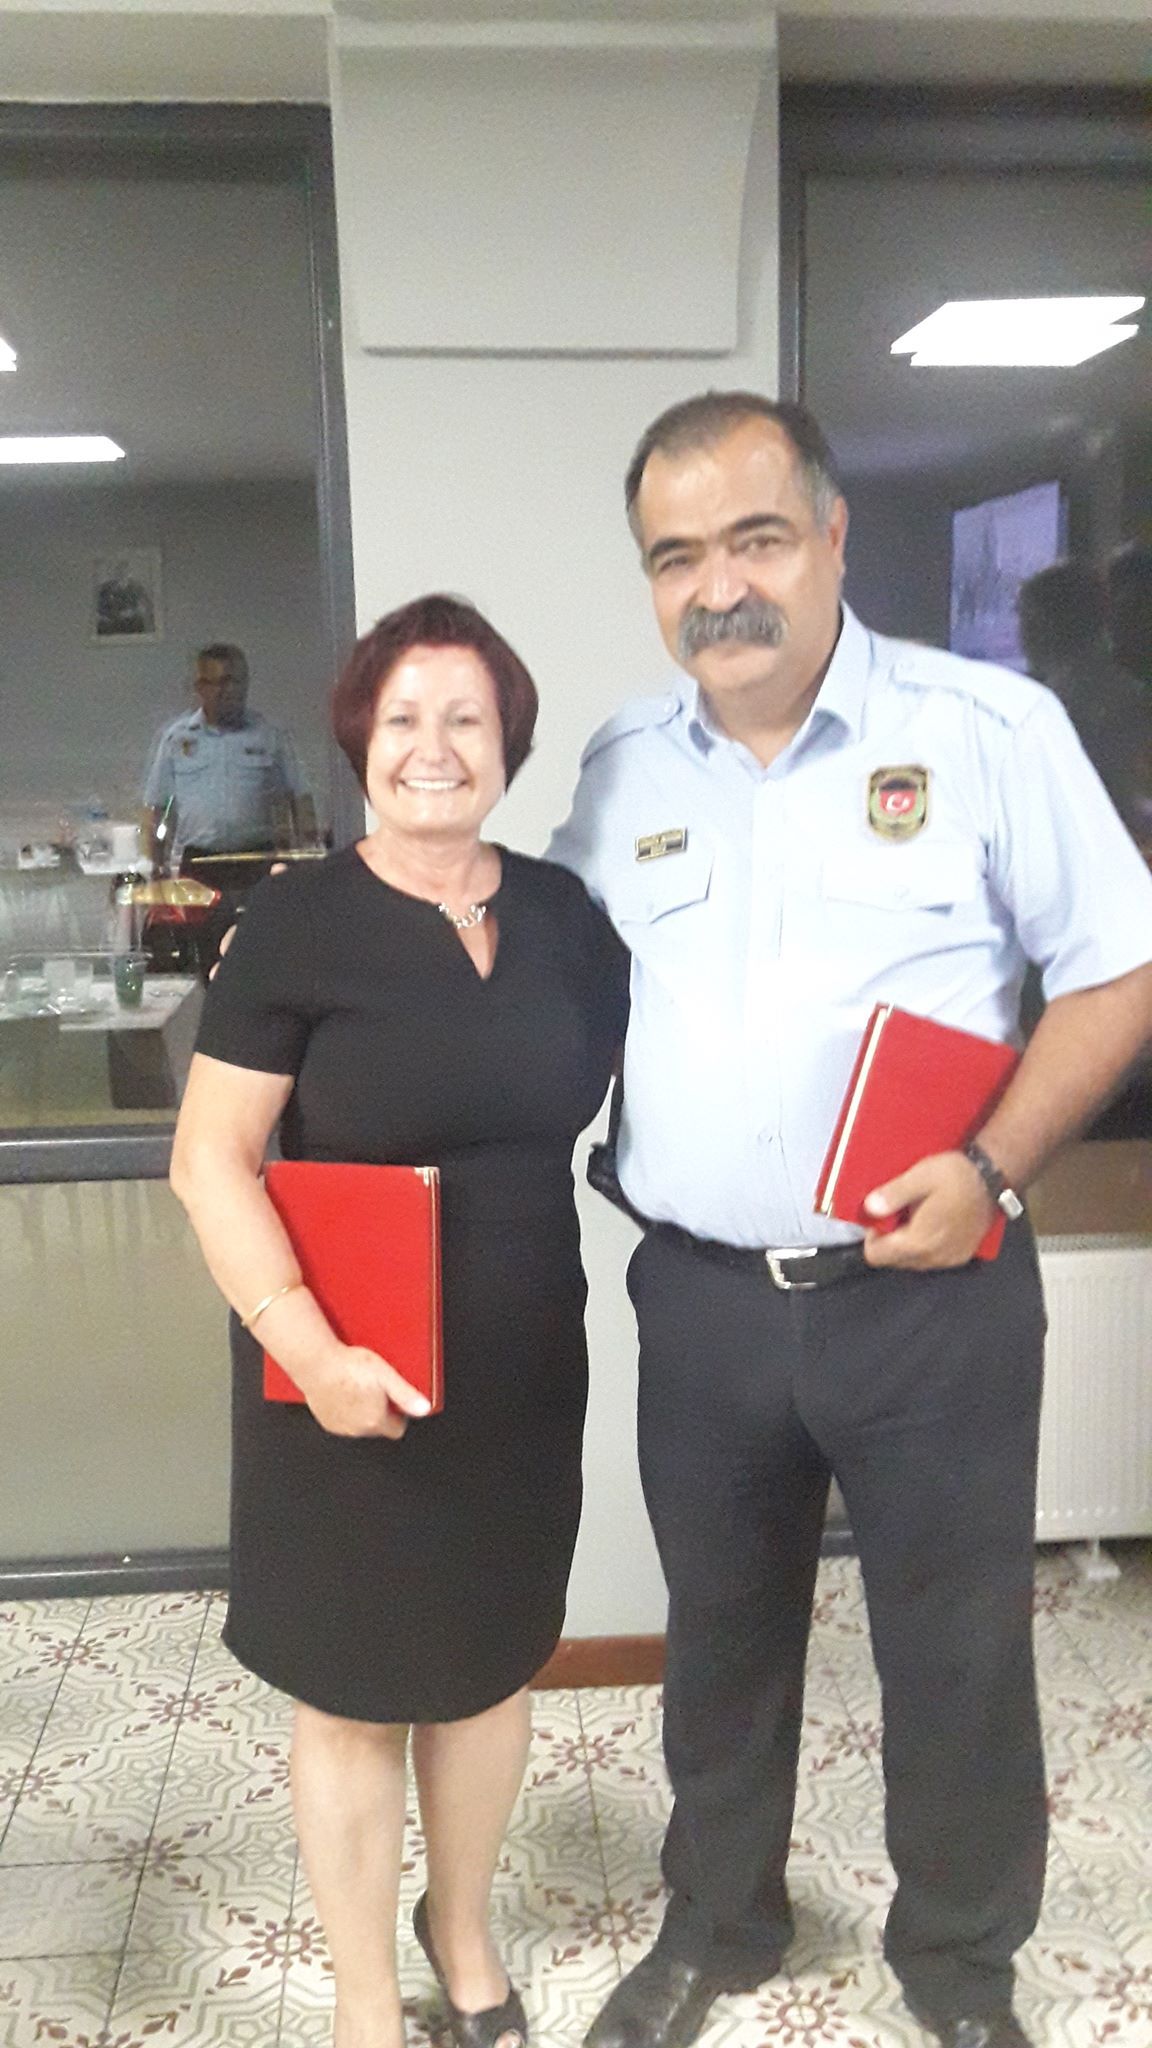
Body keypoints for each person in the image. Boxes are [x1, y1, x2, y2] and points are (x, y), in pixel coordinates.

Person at [546, 392, 1152, 2048]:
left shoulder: (987, 727)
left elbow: (1116, 970)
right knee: (719, 1639)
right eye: (676, 556)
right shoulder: (621, 766)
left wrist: (997, 1166)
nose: (717, 587)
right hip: (703, 1302)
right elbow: (544, 982)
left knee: (955, 1652)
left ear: (830, 536)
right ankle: (717, 1924)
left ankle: (957, 1964)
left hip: (932, 1292)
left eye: (753, 539)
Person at [170, 595, 628, 2048]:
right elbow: (209, 1160)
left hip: (519, 1374)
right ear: (362, 736)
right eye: (405, 716)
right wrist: (312, 1353)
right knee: (356, 1694)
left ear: (509, 743)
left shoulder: (564, 917)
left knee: (490, 1667)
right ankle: (368, 2002)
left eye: (467, 718)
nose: (435, 746)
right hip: (342, 1379)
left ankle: (463, 1934)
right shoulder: (296, 923)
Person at [142, 643, 318, 869]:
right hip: (199, 861)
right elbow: (155, 809)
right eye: (221, 682)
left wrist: (307, 860)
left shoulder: (269, 736)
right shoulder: (176, 739)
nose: (230, 691)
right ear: (201, 687)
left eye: (237, 682)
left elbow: (300, 800)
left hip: (257, 859)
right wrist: (154, 867)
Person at [1017, 559, 1152, 849]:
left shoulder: (1046, 709)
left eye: (1025, 619)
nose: (1020, 634)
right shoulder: (1133, 694)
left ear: (1045, 625)